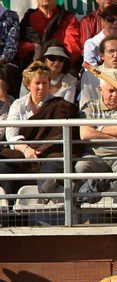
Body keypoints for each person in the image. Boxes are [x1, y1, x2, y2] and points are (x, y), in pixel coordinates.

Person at [0, 62, 78, 195]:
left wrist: (42, 148)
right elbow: (11, 134)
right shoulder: (18, 105)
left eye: (45, 83)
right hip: (23, 152)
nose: (41, 87)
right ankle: (11, 206)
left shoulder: (59, 105)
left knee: (57, 160)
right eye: (37, 83)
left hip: (49, 152)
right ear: (28, 85)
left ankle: (46, 190)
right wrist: (26, 150)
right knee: (4, 164)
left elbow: (59, 133)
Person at [75, 70, 117, 202]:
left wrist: (98, 129)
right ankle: (87, 205)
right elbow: (85, 134)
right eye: (111, 91)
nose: (114, 95)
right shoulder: (90, 108)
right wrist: (113, 136)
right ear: (100, 90)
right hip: (96, 157)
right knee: (81, 166)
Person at [17, 0, 80, 66]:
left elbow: (73, 49)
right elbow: (18, 47)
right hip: (32, 67)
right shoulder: (28, 18)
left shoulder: (68, 18)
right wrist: (34, 46)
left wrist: (55, 60)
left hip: (60, 66)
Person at [0, 5, 21, 98]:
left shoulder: (11, 16)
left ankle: (5, 109)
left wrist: (2, 60)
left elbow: (11, 46)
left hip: (5, 63)